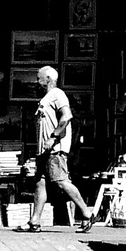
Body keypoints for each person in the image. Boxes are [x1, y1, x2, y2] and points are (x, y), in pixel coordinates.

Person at [32, 65, 94, 232]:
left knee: (61, 182)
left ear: (48, 79)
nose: (37, 81)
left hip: (55, 150)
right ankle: (34, 221)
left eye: (39, 77)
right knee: (40, 183)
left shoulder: (57, 94)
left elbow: (66, 117)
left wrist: (54, 137)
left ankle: (86, 213)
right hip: (44, 151)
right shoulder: (45, 98)